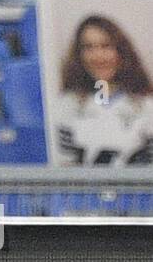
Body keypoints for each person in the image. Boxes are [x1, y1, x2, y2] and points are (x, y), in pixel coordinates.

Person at [53, 15, 153, 166]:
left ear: (121, 51)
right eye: (89, 47)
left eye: (106, 46)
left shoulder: (146, 105)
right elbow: (66, 169)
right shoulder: (67, 105)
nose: (98, 56)